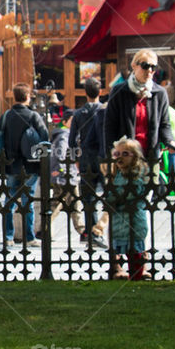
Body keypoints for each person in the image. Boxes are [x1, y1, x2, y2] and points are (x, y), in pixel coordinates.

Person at [0, 83, 48, 247]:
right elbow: (45, 139)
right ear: (27, 97)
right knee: (28, 202)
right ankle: (29, 237)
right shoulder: (34, 117)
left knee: (9, 201)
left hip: (11, 165)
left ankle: (8, 237)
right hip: (30, 166)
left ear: (15, 97)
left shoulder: (6, 116)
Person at [103, 49, 174, 161]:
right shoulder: (119, 91)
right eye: (145, 66)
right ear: (134, 66)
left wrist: (170, 141)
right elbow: (109, 126)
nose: (149, 70)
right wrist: (110, 154)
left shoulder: (160, 93)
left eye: (153, 67)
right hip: (125, 158)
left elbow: (165, 124)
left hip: (150, 156)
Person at [70, 78, 108, 248]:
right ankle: (97, 231)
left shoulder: (79, 114)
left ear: (85, 93)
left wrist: (75, 159)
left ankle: (90, 232)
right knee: (109, 194)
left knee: (88, 197)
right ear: (100, 92)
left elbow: (72, 140)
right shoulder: (104, 111)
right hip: (103, 156)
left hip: (86, 157)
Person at [106, 137, 150, 280]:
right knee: (121, 247)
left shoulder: (138, 174)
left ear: (135, 156)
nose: (120, 158)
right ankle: (123, 271)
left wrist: (116, 198)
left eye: (125, 154)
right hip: (119, 219)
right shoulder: (116, 174)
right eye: (117, 154)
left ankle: (136, 276)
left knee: (135, 251)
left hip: (133, 219)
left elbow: (134, 194)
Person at [48, 109, 85, 236]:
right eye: (72, 120)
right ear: (65, 122)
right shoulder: (64, 135)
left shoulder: (66, 134)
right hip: (65, 176)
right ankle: (46, 226)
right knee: (59, 203)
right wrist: (62, 171)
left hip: (69, 175)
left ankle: (81, 230)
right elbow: (60, 155)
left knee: (74, 203)